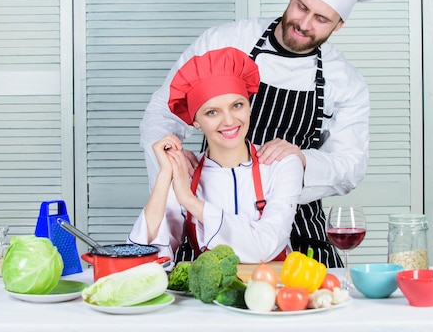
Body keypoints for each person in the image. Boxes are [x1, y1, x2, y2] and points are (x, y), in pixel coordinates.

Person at [139, 0, 389, 266]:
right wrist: (170, 163)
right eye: (301, 7)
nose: (303, 23)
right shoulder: (226, 39)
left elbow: (350, 166)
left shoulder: (345, 81)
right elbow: (163, 109)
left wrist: (300, 160)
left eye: (321, 19)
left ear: (339, 25)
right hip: (206, 218)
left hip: (296, 230)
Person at [128, 47, 303, 263]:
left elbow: (264, 248)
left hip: (273, 290)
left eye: (237, 105)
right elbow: (145, 254)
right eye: (212, 112)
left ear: (249, 107)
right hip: (209, 295)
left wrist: (189, 201)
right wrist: (165, 175)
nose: (229, 121)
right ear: (195, 121)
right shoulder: (186, 173)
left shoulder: (282, 164)